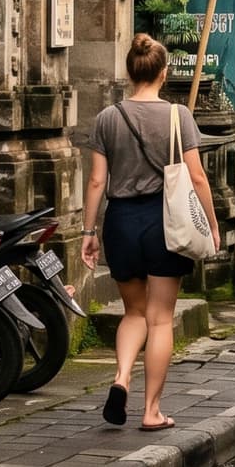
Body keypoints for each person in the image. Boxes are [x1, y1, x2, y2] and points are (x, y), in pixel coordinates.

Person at [80, 33, 219, 432]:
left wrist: (89, 231)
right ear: (163, 73)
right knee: (160, 319)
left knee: (133, 312)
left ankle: (121, 377)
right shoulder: (178, 116)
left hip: (121, 222)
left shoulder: (108, 118)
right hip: (165, 223)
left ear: (130, 72)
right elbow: (196, 177)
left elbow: (95, 181)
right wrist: (211, 224)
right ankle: (151, 411)